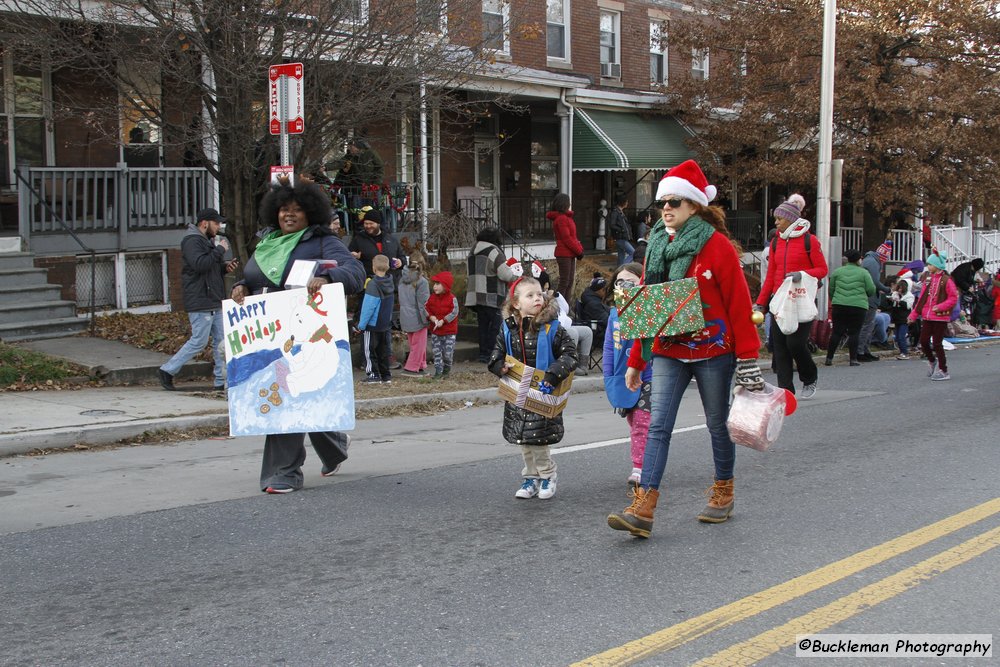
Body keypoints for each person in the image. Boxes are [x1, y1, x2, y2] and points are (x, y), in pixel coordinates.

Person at [606, 160, 762, 539]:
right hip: (668, 350)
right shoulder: (657, 244)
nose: (667, 209)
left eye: (675, 201)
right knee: (658, 425)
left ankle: (723, 491)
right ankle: (644, 506)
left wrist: (748, 359)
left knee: (715, 423)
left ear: (694, 205)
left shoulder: (717, 247)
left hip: (713, 350)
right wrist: (635, 360)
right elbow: (648, 309)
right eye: (663, 203)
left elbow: (740, 305)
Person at [230, 178, 366, 494]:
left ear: (310, 214)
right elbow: (255, 277)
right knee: (306, 399)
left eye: (297, 210)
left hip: (311, 334)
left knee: (294, 395)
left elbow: (356, 273)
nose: (288, 215)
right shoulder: (268, 243)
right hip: (273, 335)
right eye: (283, 210)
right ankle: (335, 447)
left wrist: (327, 275)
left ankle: (284, 473)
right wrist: (242, 285)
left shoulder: (322, 241)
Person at [488, 276, 577, 500]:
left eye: (539, 294)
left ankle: (548, 474)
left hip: (544, 390)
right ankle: (530, 478)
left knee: (539, 438)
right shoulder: (507, 329)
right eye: (530, 295)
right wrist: (500, 367)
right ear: (516, 303)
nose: (537, 298)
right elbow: (496, 354)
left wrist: (554, 373)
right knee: (523, 439)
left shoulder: (552, 328)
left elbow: (570, 354)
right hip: (517, 392)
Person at [754, 193, 828, 398]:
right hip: (779, 301)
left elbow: (822, 269)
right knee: (779, 347)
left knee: (795, 343)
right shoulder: (776, 243)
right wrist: (761, 303)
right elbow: (770, 276)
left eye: (779, 218)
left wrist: (802, 275)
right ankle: (786, 390)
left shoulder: (809, 241)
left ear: (791, 219)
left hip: (800, 299)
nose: (776, 222)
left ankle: (809, 377)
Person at [158, 208, 238, 391]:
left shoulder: (205, 241)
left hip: (213, 299)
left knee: (222, 342)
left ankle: (221, 381)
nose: (219, 227)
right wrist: (219, 250)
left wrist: (225, 267)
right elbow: (200, 265)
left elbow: (210, 268)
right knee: (199, 341)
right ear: (205, 223)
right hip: (201, 300)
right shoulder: (192, 241)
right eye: (216, 223)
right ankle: (167, 370)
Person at [602, 262, 651, 487]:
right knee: (633, 422)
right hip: (624, 377)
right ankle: (646, 460)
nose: (623, 286)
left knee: (643, 422)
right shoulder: (614, 315)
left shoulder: (650, 310)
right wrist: (609, 376)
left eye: (630, 282)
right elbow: (609, 349)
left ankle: (640, 467)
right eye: (619, 282)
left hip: (649, 377)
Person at [465, 227, 518, 363]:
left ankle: (483, 353)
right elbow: (505, 274)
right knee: (495, 326)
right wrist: (516, 277)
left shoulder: (472, 251)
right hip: (492, 295)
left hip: (476, 294)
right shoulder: (494, 251)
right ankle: (490, 354)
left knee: (482, 326)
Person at [908, 252, 958, 381]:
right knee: (923, 341)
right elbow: (922, 299)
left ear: (937, 265)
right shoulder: (928, 279)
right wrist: (913, 314)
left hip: (940, 317)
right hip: (927, 316)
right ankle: (932, 360)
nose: (928, 267)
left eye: (930, 264)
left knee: (937, 343)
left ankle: (944, 370)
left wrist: (940, 307)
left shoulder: (947, 280)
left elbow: (953, 298)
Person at [824, 249, 874, 367]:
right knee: (854, 332)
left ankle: (829, 358)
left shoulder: (837, 272)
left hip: (839, 304)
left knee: (836, 332)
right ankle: (853, 359)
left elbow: (831, 288)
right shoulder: (864, 273)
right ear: (858, 259)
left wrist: (835, 299)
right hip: (858, 305)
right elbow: (871, 289)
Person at [538, 270, 593, 377]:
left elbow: (566, 309)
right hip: (553, 328)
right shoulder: (539, 298)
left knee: (587, 331)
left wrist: (557, 296)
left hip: (566, 325)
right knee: (572, 333)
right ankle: (571, 365)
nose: (547, 288)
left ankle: (583, 365)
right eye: (544, 286)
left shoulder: (553, 296)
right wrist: (547, 298)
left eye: (547, 286)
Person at [357, 254, 396, 384]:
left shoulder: (373, 285)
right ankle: (386, 375)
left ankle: (373, 374)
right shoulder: (390, 282)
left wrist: (361, 325)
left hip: (372, 325)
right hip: (384, 323)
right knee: (383, 351)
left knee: (369, 350)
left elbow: (369, 307)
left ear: (373, 268)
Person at [348, 209, 406, 282]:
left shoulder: (391, 239)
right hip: (368, 283)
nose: (368, 226)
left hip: (391, 284)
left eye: (371, 223)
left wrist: (400, 262)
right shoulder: (358, 239)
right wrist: (354, 257)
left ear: (378, 223)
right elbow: (347, 258)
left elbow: (402, 257)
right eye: (366, 223)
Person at [856, 245, 891, 361]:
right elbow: (874, 282)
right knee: (867, 326)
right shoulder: (873, 263)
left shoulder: (869, 260)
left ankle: (865, 350)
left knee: (868, 325)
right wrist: (887, 289)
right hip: (869, 298)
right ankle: (860, 351)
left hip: (866, 297)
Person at [399, 251, 430, 377]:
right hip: (418, 317)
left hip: (405, 315)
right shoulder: (422, 282)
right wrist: (427, 318)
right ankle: (411, 368)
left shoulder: (402, 279)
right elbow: (424, 303)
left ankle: (420, 365)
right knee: (419, 344)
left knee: (414, 342)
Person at [548, 193, 584, 301]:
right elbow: (567, 238)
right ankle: (559, 306)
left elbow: (573, 237)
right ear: (565, 204)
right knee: (565, 282)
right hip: (564, 253)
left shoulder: (565, 218)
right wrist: (579, 251)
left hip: (569, 253)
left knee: (569, 282)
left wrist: (578, 250)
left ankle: (566, 307)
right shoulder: (562, 219)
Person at [426, 270, 459, 378]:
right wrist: (431, 317)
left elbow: (454, 312)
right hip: (436, 331)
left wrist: (443, 321)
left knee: (447, 354)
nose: (435, 286)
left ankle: (447, 368)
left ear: (445, 285)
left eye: (438, 284)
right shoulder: (432, 298)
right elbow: (426, 309)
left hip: (449, 332)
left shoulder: (452, 299)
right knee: (437, 353)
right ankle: (438, 372)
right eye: (434, 284)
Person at [577, 272, 611, 342]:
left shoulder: (591, 297)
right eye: (606, 290)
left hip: (599, 328)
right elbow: (608, 321)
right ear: (600, 290)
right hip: (600, 333)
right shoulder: (594, 304)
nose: (607, 292)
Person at [887, 276, 915, 359]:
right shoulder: (895, 294)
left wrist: (899, 301)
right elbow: (891, 306)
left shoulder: (910, 296)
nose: (899, 290)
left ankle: (904, 352)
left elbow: (907, 306)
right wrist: (890, 300)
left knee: (901, 336)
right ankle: (901, 352)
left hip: (904, 319)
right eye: (899, 287)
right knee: (897, 336)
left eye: (902, 288)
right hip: (896, 318)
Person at [608, 194, 634, 266]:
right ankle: (623, 267)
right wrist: (621, 230)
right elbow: (612, 225)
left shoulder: (620, 212)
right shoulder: (615, 212)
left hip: (621, 237)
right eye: (626, 202)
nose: (627, 203)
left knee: (621, 256)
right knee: (633, 253)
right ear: (623, 202)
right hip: (620, 237)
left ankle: (619, 271)